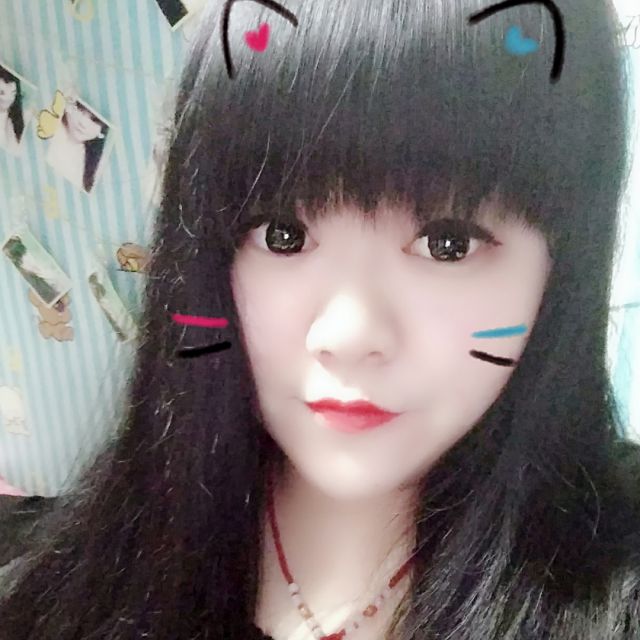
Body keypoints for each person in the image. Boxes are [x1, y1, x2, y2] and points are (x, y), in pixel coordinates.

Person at [0, 0, 639, 638]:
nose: (347, 337)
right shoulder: (77, 572)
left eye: (448, 243)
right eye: (282, 235)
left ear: (563, 264)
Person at [45, 97, 108, 193]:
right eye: (80, 109)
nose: (83, 123)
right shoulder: (49, 126)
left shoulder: (97, 165)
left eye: (95, 120)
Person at [0, 66, 24, 156]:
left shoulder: (14, 119)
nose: (7, 99)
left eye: (13, 93)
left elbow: (11, 149)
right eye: (2, 93)